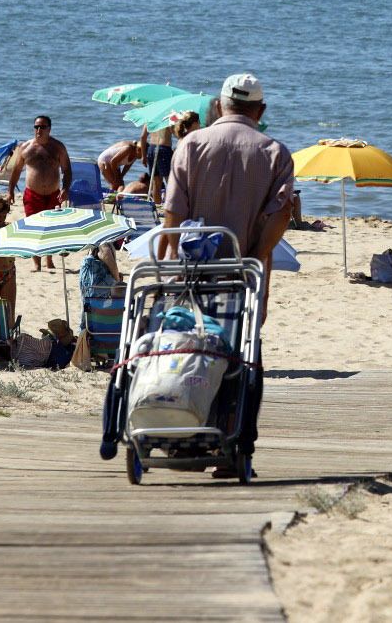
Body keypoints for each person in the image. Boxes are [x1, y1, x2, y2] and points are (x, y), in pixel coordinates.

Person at [160, 73, 294, 479]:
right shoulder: (275, 152)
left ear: (218, 106)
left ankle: (184, 436)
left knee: (189, 347)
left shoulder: (191, 145)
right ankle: (233, 446)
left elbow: (173, 214)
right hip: (243, 275)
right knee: (241, 355)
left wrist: (167, 265)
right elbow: (281, 213)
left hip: (190, 272)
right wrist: (254, 256)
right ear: (261, 111)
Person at [6, 115, 72, 273]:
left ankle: (49, 259)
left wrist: (65, 188)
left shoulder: (58, 147)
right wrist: (10, 191)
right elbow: (16, 171)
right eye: (36, 127)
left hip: (53, 194)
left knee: (51, 228)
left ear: (49, 129)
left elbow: (67, 170)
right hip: (32, 194)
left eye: (42, 127)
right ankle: (37, 263)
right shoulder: (26, 147)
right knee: (34, 228)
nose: (39, 130)